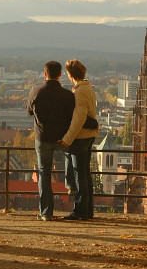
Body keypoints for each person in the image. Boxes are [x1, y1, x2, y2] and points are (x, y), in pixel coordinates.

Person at [26, 60, 76, 221]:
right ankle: (71, 184)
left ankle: (46, 212)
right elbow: (72, 117)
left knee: (44, 174)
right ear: (60, 74)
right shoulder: (68, 95)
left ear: (45, 74)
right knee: (71, 155)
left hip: (42, 138)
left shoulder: (35, 92)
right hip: (62, 138)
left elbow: (29, 111)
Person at [59, 59, 99, 220]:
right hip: (89, 136)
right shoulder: (88, 87)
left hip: (81, 137)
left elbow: (79, 118)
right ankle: (88, 210)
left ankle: (80, 210)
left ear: (70, 75)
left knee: (79, 175)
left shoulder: (80, 91)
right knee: (85, 174)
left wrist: (68, 138)